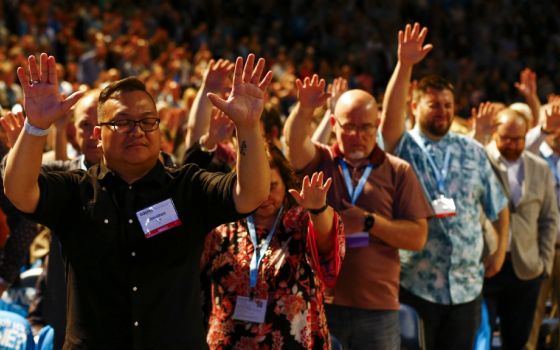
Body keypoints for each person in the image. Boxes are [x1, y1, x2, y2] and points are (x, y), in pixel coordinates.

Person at [3, 52, 272, 349]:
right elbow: (18, 191)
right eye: (123, 122)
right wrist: (36, 126)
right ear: (98, 134)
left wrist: (247, 127)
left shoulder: (187, 186)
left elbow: (251, 194)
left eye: (147, 121)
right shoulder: (76, 190)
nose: (138, 130)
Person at [380, 23, 510, 349]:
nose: (443, 111)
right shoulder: (403, 146)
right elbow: (389, 121)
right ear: (415, 107)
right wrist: (405, 65)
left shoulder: (473, 150)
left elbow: (498, 203)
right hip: (417, 283)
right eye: (434, 104)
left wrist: (499, 251)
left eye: (448, 105)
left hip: (467, 286)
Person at [283, 73, 432, 348]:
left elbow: (418, 237)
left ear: (377, 125)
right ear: (332, 124)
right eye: (348, 127)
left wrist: (368, 222)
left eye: (365, 128)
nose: (357, 136)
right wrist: (304, 110)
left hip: (379, 308)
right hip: (321, 303)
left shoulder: (398, 170)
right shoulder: (321, 159)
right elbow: (293, 146)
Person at [201, 145, 344, 349]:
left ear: (285, 184)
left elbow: (327, 244)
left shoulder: (299, 222)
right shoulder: (222, 228)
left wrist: (319, 210)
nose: (264, 196)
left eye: (272, 186)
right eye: (256, 186)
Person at [482, 108, 558, 349]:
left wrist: (543, 264)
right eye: (506, 138)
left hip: (527, 268)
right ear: (494, 133)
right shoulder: (481, 160)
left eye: (519, 139)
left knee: (519, 341)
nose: (513, 145)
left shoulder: (539, 167)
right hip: (487, 265)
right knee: (480, 339)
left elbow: (549, 218)